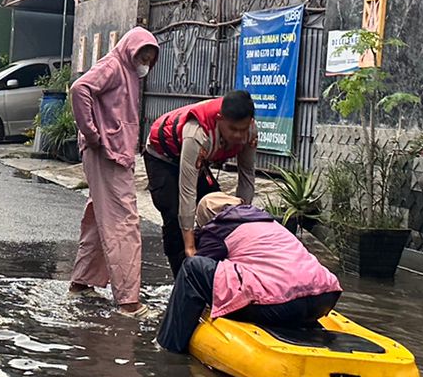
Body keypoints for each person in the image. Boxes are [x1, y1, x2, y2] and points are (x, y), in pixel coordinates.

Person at [156, 192, 342, 354]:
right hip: (324, 299)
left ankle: (167, 346)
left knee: (191, 268)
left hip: (279, 307)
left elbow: (201, 269)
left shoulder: (218, 227)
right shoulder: (271, 222)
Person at [68, 26, 161, 317]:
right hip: (107, 153)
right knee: (124, 222)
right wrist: (92, 133)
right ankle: (128, 301)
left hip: (114, 153)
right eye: (142, 56)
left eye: (149, 59)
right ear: (130, 49)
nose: (145, 63)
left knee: (100, 217)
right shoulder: (113, 66)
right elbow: (79, 89)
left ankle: (82, 282)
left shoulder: (127, 72)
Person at [144, 90, 258, 276]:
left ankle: (213, 271)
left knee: (217, 209)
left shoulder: (250, 132)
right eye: (233, 129)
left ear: (251, 122)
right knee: (174, 217)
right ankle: (182, 277)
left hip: (198, 157)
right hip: (162, 157)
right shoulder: (197, 133)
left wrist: (242, 218)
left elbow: (247, 176)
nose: (239, 135)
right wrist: (189, 248)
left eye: (243, 129)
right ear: (220, 119)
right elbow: (187, 191)